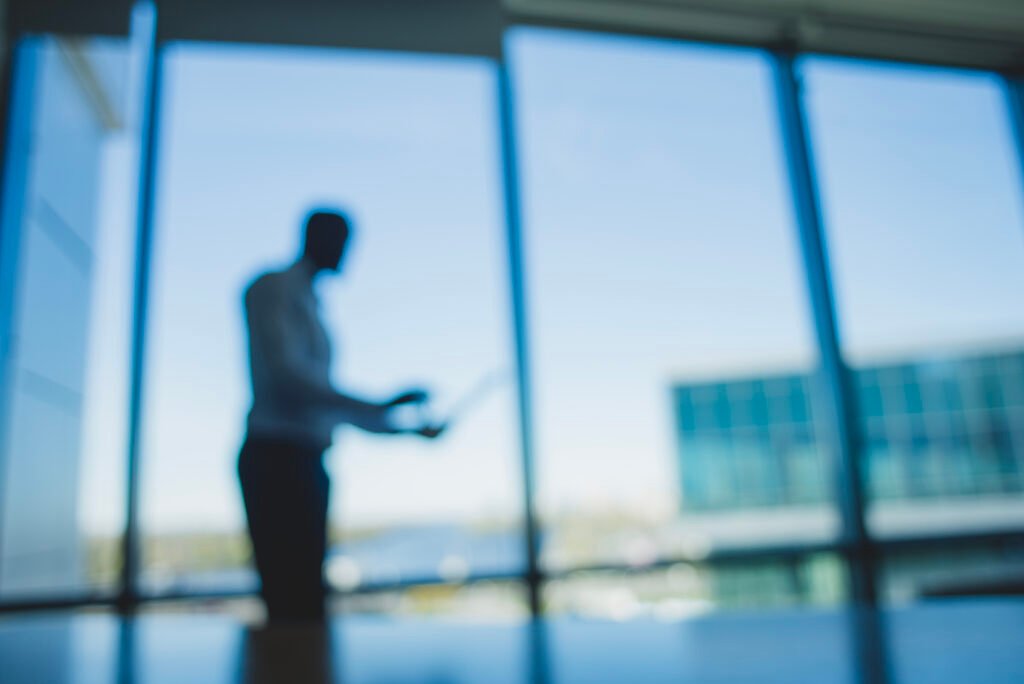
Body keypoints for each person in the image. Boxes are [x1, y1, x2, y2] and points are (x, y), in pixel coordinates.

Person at [238, 209, 439, 624]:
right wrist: (382, 405)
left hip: (305, 462)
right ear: (318, 238)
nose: (347, 253)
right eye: (342, 240)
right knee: (289, 599)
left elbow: (324, 404)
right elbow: (290, 379)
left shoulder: (308, 303)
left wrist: (404, 427)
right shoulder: (271, 289)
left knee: (305, 597)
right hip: (277, 463)